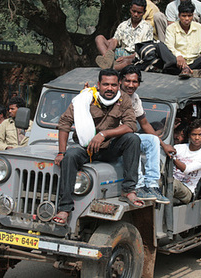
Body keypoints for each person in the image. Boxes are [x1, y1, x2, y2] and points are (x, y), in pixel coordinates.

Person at [53, 69, 142, 226]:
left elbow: (130, 125)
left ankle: (128, 190)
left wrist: (104, 134)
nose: (110, 88)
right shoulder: (85, 98)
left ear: (118, 85)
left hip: (109, 147)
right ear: (98, 85)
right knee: (70, 156)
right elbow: (65, 122)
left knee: (133, 139)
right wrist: (61, 152)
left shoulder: (124, 100)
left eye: (113, 85)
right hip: (86, 148)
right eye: (106, 84)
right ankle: (65, 208)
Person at [119, 65, 173, 204]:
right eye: (127, 81)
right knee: (133, 140)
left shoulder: (135, 98)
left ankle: (152, 185)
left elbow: (144, 124)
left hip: (129, 137)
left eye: (134, 82)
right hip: (114, 139)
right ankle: (139, 185)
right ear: (120, 81)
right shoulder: (114, 95)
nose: (131, 85)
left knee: (152, 140)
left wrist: (163, 144)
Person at [164, 0, 201, 79]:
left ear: (193, 16)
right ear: (179, 16)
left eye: (189, 16)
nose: (187, 19)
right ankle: (188, 71)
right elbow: (169, 46)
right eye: (184, 16)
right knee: (160, 46)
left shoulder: (199, 28)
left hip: (194, 64)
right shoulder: (171, 28)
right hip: (178, 64)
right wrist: (178, 56)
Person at [95, 0, 153, 71]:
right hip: (119, 53)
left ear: (144, 12)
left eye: (139, 13)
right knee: (99, 38)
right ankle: (108, 61)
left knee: (127, 62)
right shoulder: (123, 25)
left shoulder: (147, 27)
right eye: (134, 11)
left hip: (133, 56)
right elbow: (115, 40)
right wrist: (108, 53)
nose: (135, 14)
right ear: (130, 9)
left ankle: (111, 68)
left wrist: (126, 58)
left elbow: (144, 50)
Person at [172, 119, 201, 204]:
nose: (197, 138)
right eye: (194, 134)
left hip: (187, 190)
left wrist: (173, 158)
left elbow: (187, 169)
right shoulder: (178, 148)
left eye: (200, 135)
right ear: (189, 135)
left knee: (172, 183)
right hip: (171, 182)